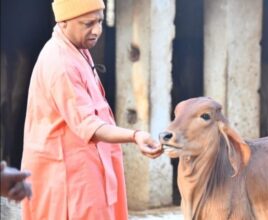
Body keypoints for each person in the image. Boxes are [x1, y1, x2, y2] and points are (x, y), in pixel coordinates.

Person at [21, 0, 163, 219]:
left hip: (88, 171)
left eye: (99, 21)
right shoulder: (60, 63)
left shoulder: (77, 49)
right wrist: (136, 136)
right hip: (69, 178)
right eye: (88, 23)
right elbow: (90, 126)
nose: (96, 30)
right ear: (64, 22)